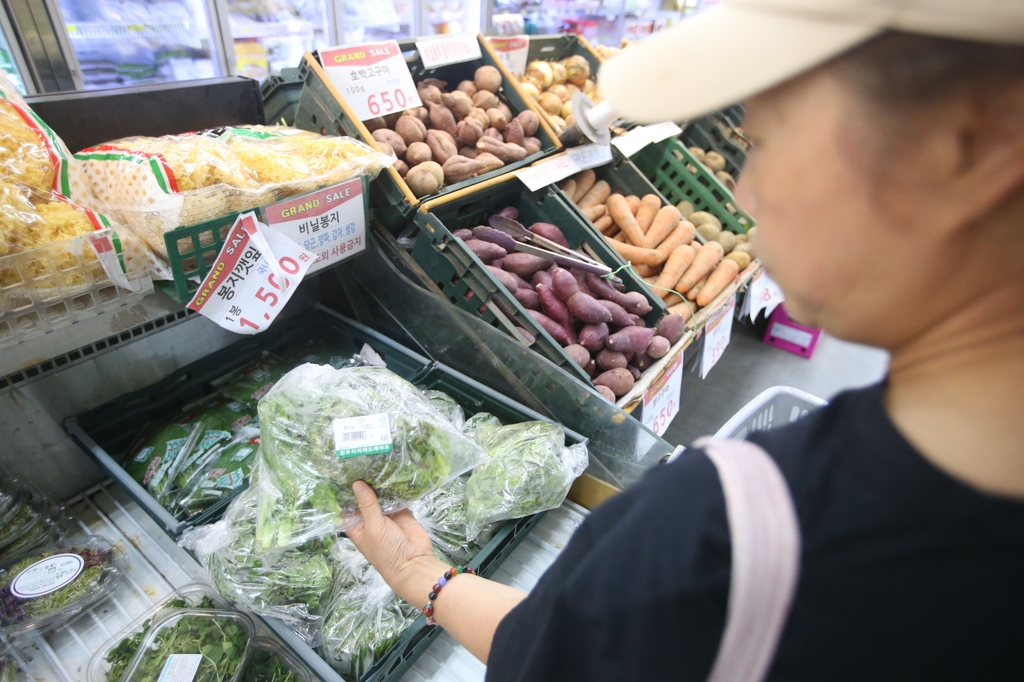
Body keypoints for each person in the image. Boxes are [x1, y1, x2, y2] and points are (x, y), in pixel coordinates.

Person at [347, 1, 1024, 679]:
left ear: (968, 150)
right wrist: (421, 577)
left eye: (766, 142)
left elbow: (556, 651)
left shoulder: (720, 543)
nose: (748, 195)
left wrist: (423, 581)